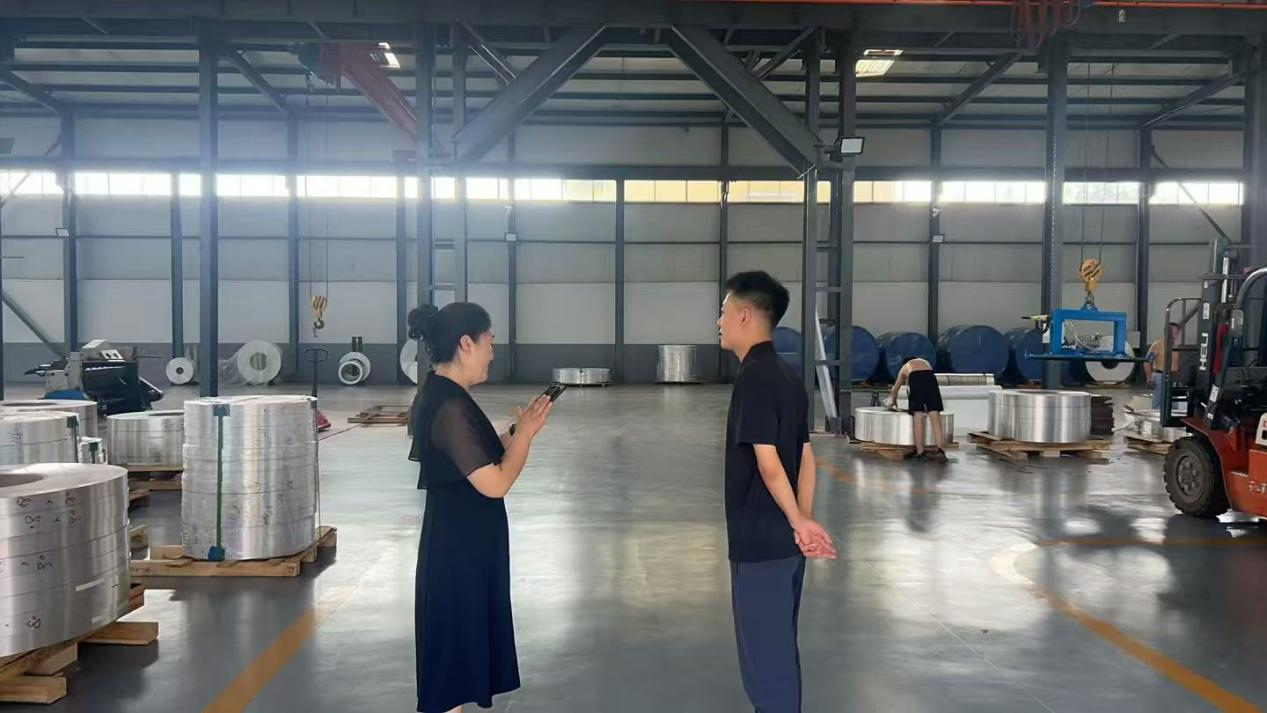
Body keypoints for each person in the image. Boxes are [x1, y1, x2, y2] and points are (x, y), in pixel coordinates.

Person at [408, 302, 553, 713]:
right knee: (450, 665)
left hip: (463, 546)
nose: (492, 352)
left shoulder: (447, 394)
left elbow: (478, 456)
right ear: (465, 344)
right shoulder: (450, 406)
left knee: (456, 664)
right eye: (489, 342)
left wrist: (519, 431)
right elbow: (496, 482)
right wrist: (525, 437)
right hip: (458, 554)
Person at [717, 270, 837, 713]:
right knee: (779, 653)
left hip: (759, 543)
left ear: (745, 315)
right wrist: (800, 524)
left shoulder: (755, 377)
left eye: (724, 311)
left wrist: (798, 521)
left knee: (766, 665)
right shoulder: (788, 376)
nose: (719, 321)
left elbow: (768, 464)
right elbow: (805, 458)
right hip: (784, 544)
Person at [886, 357, 948, 463]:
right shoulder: (925, 362)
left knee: (918, 416)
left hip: (916, 378)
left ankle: (920, 452)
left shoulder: (905, 367)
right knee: (934, 414)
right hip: (930, 378)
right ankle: (940, 450)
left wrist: (893, 401)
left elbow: (895, 389)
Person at [1144, 322, 1182, 409]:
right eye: (1174, 332)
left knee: (1173, 403)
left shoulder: (1177, 347)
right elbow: (1147, 361)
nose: (1176, 335)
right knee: (1158, 402)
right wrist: (1149, 378)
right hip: (1160, 376)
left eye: (1177, 332)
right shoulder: (1157, 345)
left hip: (1174, 377)